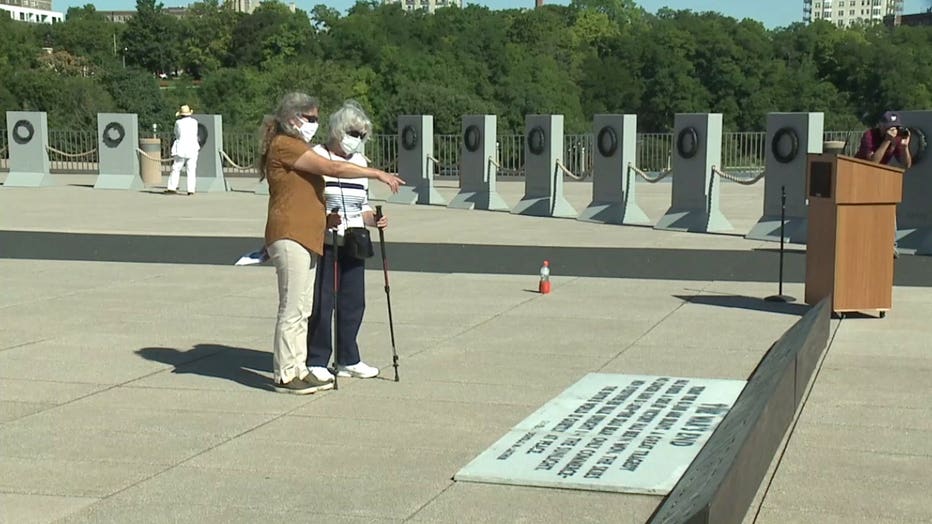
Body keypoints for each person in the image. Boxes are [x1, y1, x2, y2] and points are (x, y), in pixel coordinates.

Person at [259, 92, 402, 394]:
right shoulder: (286, 145)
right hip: (294, 232)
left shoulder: (297, 146)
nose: (315, 124)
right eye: (310, 118)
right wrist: (377, 173)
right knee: (296, 307)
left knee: (304, 306)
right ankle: (288, 373)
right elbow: (333, 169)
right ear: (293, 118)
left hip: (310, 234)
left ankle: (299, 367)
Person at [305, 100, 386, 383]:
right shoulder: (317, 156)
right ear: (338, 130)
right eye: (354, 133)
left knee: (354, 301)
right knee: (322, 302)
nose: (357, 140)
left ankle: (348, 358)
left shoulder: (361, 163)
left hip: (353, 239)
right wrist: (326, 218)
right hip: (325, 240)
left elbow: (362, 204)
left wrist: (374, 221)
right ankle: (316, 359)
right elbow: (307, 200)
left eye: (362, 135)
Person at [854, 110, 912, 258]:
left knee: (889, 207)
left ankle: (891, 245)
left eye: (895, 127)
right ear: (881, 125)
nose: (893, 131)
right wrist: (886, 141)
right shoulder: (869, 136)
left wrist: (904, 147)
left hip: (879, 178)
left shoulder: (897, 139)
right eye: (889, 127)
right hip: (860, 175)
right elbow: (872, 162)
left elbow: (906, 165)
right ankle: (861, 242)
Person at [166, 104, 201, 195]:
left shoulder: (178, 123)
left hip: (181, 147)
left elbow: (177, 133)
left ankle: (172, 187)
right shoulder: (195, 122)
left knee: (176, 168)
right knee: (191, 169)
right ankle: (191, 190)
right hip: (193, 147)